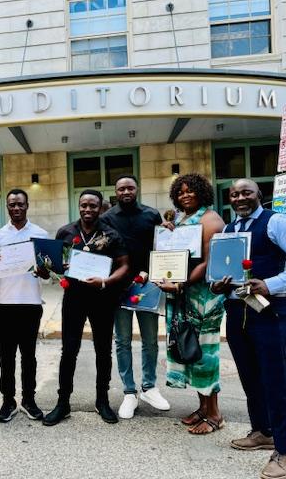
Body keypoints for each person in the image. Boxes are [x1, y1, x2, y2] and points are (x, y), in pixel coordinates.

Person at [212, 179, 286, 479]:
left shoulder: (277, 222)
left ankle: (283, 452)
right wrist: (215, 284)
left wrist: (271, 284)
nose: (240, 197)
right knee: (249, 375)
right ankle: (262, 431)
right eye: (234, 194)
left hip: (269, 310)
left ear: (260, 195)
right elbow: (220, 270)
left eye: (246, 192)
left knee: (274, 379)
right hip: (236, 309)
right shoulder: (229, 230)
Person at [43, 189, 129, 426]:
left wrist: (106, 281)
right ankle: (63, 403)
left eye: (93, 205)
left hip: (102, 298)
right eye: (84, 205)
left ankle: (102, 401)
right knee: (69, 350)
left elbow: (124, 265)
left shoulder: (110, 233)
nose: (88, 209)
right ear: (78, 206)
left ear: (100, 207)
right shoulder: (66, 231)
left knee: (103, 350)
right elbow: (56, 263)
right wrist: (52, 267)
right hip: (74, 298)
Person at [154, 174, 226, 434]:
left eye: (190, 191)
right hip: (182, 295)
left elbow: (208, 263)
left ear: (201, 192)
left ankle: (215, 414)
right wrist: (167, 231)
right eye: (180, 192)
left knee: (205, 356)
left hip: (202, 297)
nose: (185, 195)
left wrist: (180, 284)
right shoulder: (181, 218)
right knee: (190, 350)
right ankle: (203, 408)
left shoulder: (210, 220)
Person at [99, 174, 170, 418]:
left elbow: (162, 246)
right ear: (115, 192)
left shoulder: (151, 214)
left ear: (137, 189)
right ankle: (129, 392)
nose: (126, 192)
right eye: (121, 189)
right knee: (122, 341)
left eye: (130, 188)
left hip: (148, 284)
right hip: (119, 286)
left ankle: (149, 387)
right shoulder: (106, 218)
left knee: (150, 340)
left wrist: (170, 231)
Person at [0, 189, 49, 423]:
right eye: (12, 204)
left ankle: (29, 399)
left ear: (27, 205)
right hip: (5, 303)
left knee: (29, 356)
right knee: (6, 356)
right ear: (7, 207)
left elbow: (46, 274)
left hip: (31, 303)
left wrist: (43, 269)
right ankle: (8, 400)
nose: (16, 208)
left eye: (20, 204)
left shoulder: (40, 234)